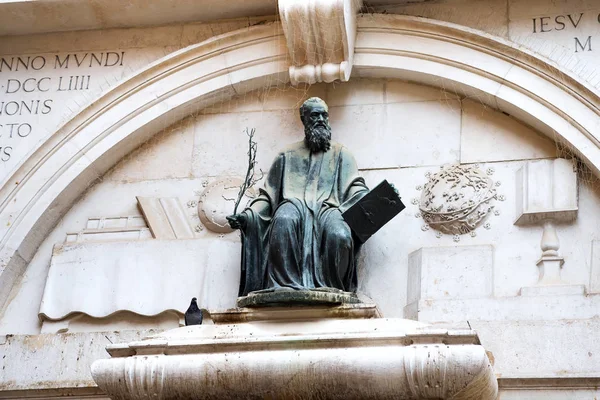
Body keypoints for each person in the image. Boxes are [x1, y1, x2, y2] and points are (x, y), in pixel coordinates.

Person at [227, 97, 369, 297]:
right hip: (292, 205)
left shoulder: (342, 154)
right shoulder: (287, 155)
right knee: (283, 220)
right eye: (315, 115)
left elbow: (355, 187)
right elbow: (268, 197)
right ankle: (286, 285)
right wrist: (248, 216)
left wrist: (377, 200)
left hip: (329, 210)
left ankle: (333, 287)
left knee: (340, 235)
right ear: (304, 119)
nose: (320, 119)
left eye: (324, 115)